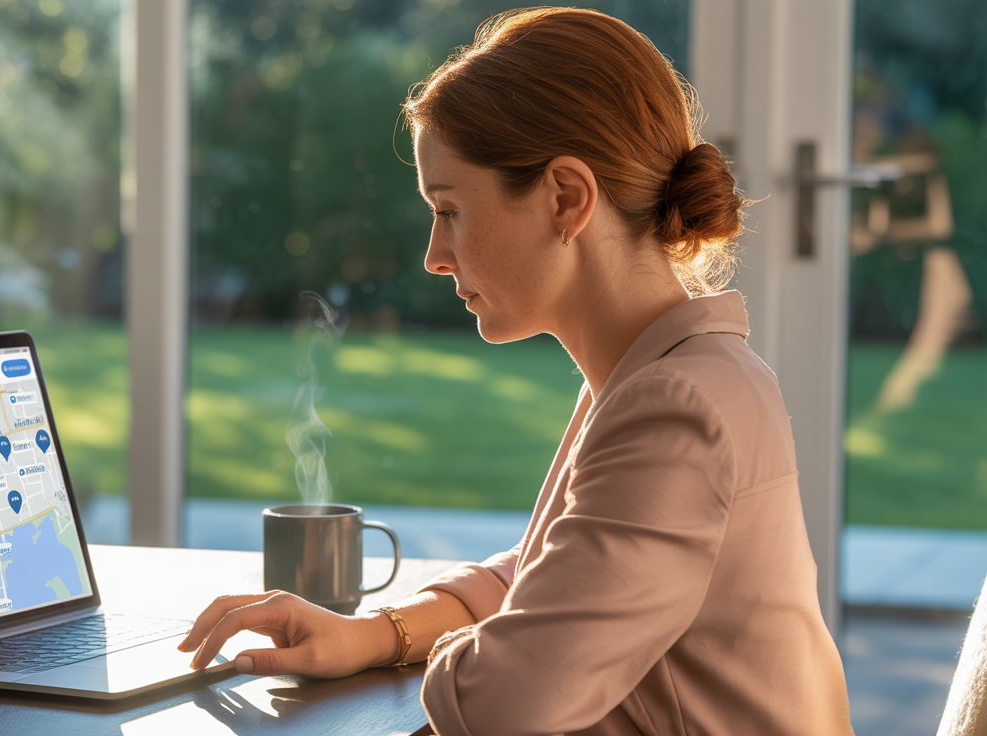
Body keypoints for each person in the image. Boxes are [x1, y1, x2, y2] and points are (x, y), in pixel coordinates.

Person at [179, 7, 854, 735]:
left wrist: (473, 649)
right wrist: (378, 634)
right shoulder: (671, 373)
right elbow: (559, 570)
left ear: (566, 198)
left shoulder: (675, 407)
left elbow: (512, 700)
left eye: (451, 210)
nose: (436, 256)